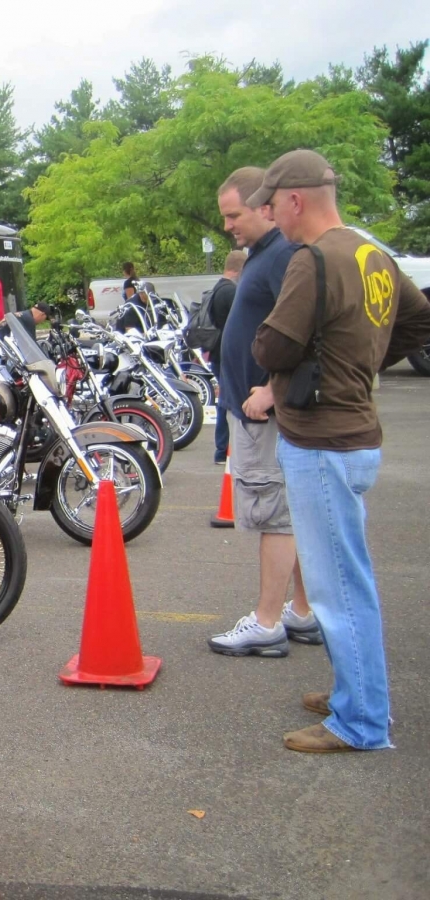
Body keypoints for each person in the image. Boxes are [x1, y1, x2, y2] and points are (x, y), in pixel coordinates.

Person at [245, 149, 430, 752]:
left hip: (322, 440)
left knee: (339, 586)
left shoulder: (315, 259)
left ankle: (361, 720)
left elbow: (272, 349)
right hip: (353, 435)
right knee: (349, 578)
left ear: (296, 200)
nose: (273, 218)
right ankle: (358, 693)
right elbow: (418, 321)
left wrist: (303, 362)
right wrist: (362, 361)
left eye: (273, 206)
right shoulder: (372, 251)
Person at [206, 167, 320, 658]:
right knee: (287, 513)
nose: (228, 225)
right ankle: (301, 611)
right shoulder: (262, 256)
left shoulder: (283, 258)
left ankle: (268, 622)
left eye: (234, 214)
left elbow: (310, 333)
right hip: (249, 410)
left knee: (274, 516)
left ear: (264, 207)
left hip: (263, 415)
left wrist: (271, 390)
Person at [206, 250, 247, 463]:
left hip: (217, 351)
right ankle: (222, 449)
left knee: (224, 400)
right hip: (226, 353)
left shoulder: (217, 289)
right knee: (226, 402)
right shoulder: (230, 292)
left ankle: (223, 449)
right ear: (240, 269)